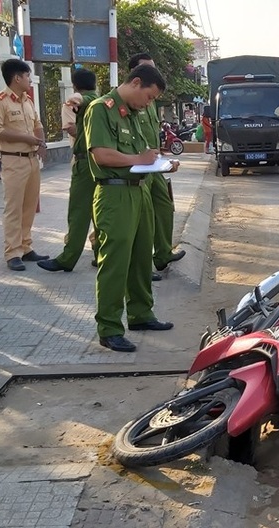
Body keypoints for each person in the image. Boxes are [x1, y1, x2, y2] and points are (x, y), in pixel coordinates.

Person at [85, 63, 178, 353]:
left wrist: (159, 163)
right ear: (135, 82)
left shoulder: (133, 113)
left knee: (140, 259)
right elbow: (101, 155)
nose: (148, 103)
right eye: (149, 97)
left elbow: (141, 156)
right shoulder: (101, 109)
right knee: (114, 263)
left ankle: (140, 314)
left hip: (140, 192)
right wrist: (139, 157)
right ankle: (110, 327)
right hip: (114, 196)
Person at [0, 59, 49, 271]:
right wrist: (27, 139)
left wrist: (41, 144)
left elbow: (37, 125)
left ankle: (26, 246)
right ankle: (12, 252)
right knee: (13, 208)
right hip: (13, 160)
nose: (30, 80)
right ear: (17, 77)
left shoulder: (27, 101)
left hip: (31, 160)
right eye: (27, 76)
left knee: (29, 206)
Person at [129, 53, 186, 282]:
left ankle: (162, 253)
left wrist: (161, 156)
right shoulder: (127, 99)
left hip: (153, 164)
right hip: (138, 166)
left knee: (164, 206)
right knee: (142, 218)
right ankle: (142, 265)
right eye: (147, 69)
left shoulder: (149, 101)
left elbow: (152, 131)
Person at [38, 68, 100, 273]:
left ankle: (68, 257)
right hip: (102, 163)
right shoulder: (104, 101)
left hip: (84, 163)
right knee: (101, 211)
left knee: (79, 213)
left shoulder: (80, 99)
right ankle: (101, 252)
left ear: (74, 85)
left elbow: (77, 101)